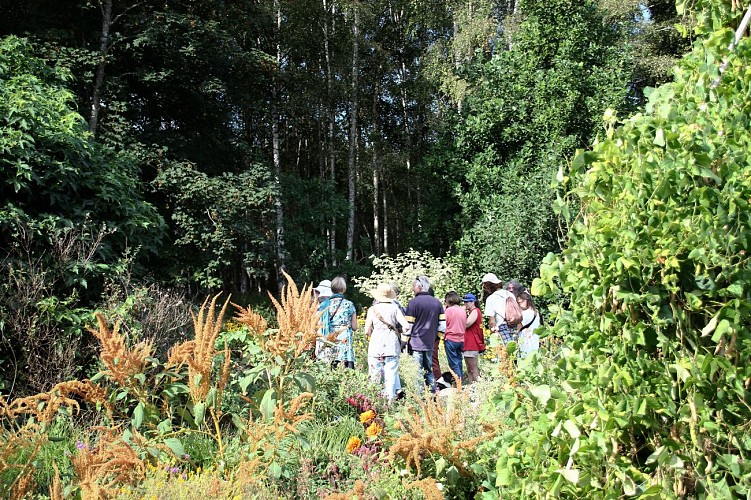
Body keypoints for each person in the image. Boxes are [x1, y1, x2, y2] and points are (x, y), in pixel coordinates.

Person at [364, 283, 411, 399]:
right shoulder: (394, 308)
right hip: (391, 344)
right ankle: (390, 400)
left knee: (374, 374)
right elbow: (406, 326)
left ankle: (373, 399)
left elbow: (366, 331)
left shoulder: (372, 309)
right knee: (391, 374)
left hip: (376, 344)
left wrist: (372, 334)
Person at [405, 276, 444, 394]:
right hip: (430, 342)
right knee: (429, 370)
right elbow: (443, 325)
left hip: (416, 342)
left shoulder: (413, 303)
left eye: (413, 286)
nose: (412, 289)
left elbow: (409, 325)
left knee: (417, 371)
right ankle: (433, 394)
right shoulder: (437, 303)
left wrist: (404, 340)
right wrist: (437, 336)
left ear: (419, 286)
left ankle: (419, 396)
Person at [327, 277, 358, 369]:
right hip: (345, 336)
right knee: (346, 361)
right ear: (344, 289)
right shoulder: (349, 304)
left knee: (332, 360)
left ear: (332, 289)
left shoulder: (326, 304)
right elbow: (354, 327)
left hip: (331, 335)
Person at [481, 272, 517, 345]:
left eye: (485, 287)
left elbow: (491, 320)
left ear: (489, 285)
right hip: (514, 325)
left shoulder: (491, 298)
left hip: (501, 327)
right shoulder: (509, 294)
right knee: (515, 351)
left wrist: (492, 332)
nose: (485, 289)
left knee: (504, 353)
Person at [443, 291, 466, 381]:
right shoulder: (462, 310)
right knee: (459, 360)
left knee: (453, 363)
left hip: (451, 338)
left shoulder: (448, 311)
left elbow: (444, 324)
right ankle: (461, 380)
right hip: (461, 339)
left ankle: (458, 382)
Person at [462, 293, 484, 383]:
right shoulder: (472, 312)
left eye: (467, 302)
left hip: (472, 343)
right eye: (464, 302)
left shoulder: (475, 311)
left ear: (473, 302)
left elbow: (467, 324)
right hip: (469, 344)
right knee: (469, 370)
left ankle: (480, 387)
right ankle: (470, 388)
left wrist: (462, 313)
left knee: (473, 369)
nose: (465, 304)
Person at [314, 279, 334, 361]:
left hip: (322, 337)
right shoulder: (334, 304)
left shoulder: (321, 306)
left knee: (322, 358)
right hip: (332, 337)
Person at [516, 291, 541, 358]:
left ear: (526, 301)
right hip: (535, 342)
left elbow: (518, 328)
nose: (518, 305)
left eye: (519, 302)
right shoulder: (536, 312)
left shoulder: (525, 314)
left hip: (526, 343)